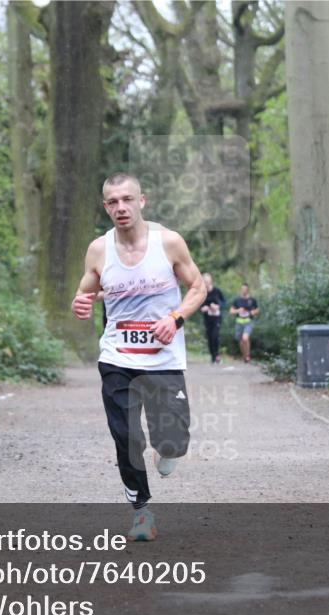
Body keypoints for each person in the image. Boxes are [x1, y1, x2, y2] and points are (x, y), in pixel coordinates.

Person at [71, 173, 206, 541]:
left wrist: (175, 318)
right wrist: (81, 302)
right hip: (117, 358)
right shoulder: (99, 249)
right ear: (106, 207)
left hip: (163, 360)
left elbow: (198, 287)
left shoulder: (169, 243)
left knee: (173, 440)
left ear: (142, 201)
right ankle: (141, 513)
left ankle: (170, 450)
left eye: (127, 199)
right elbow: (87, 290)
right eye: (113, 202)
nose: (121, 207)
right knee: (126, 437)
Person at [199, 273, 226, 364]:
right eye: (204, 281)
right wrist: (203, 308)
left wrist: (218, 306)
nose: (206, 283)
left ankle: (217, 355)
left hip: (217, 318)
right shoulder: (202, 292)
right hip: (207, 318)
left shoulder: (217, 291)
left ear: (210, 281)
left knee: (215, 335)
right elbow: (199, 305)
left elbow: (224, 302)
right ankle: (213, 356)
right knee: (210, 337)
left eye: (207, 281)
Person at [230, 282, 259, 363]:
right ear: (241, 289)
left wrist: (253, 312)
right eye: (242, 289)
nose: (244, 290)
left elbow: (257, 310)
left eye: (245, 289)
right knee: (241, 341)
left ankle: (247, 355)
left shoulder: (252, 300)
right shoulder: (237, 300)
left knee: (245, 338)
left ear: (248, 290)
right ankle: (244, 356)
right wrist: (238, 310)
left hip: (248, 322)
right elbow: (231, 311)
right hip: (239, 322)